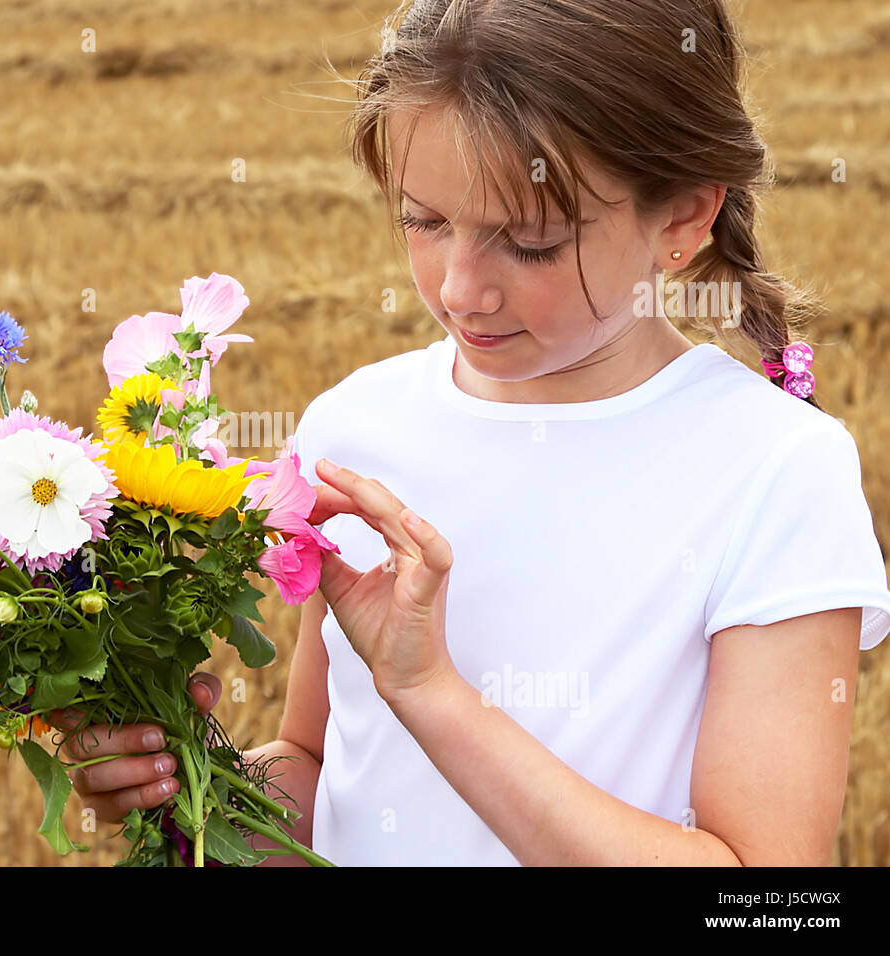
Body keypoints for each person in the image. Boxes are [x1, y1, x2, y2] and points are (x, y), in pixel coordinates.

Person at [49, 0, 890, 865]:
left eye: (528, 243)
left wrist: (433, 695)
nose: (460, 289)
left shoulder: (775, 468)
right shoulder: (358, 425)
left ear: (680, 218)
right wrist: (186, 788)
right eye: (424, 220)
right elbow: (321, 772)